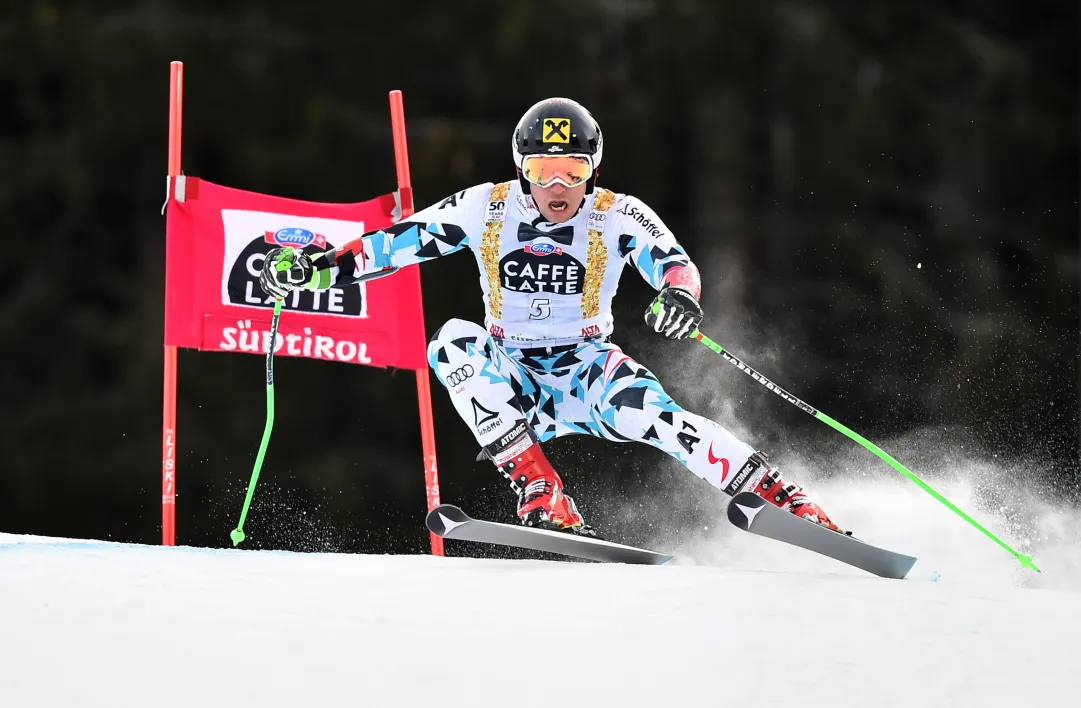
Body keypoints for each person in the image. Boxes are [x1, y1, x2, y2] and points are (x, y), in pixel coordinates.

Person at [259, 97, 844, 537]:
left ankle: (785, 500)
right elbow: (393, 246)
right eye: (543, 171)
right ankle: (543, 491)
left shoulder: (617, 214)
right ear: (522, 170)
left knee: (665, 422)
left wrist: (678, 295)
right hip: (514, 374)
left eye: (573, 169)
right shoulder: (483, 207)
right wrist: (317, 269)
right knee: (452, 344)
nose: (559, 186)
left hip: (591, 370)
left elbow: (673, 264)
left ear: (593, 169)